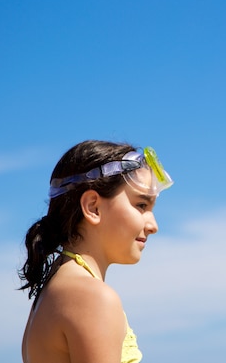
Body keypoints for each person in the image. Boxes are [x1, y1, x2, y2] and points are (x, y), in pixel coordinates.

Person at [19, 140, 173, 363]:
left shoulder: (54, 290)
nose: (153, 225)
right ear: (93, 207)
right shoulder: (91, 297)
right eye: (141, 205)